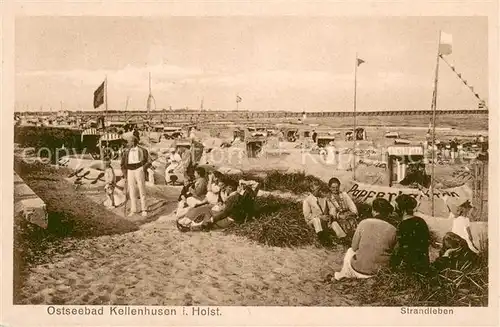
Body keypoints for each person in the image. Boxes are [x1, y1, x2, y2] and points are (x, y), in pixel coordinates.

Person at [332, 198, 397, 280]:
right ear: (387, 213)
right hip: (379, 273)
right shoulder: (393, 229)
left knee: (350, 251)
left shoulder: (364, 223)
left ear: (373, 211)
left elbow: (354, 247)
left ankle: (344, 274)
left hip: (358, 270)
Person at [391, 194, 431, 273]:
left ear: (401, 209)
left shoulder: (402, 225)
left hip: (408, 267)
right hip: (423, 264)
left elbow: (398, 249)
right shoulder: (421, 221)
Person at [120, 135, 150, 217]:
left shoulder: (142, 150)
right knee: (132, 190)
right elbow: (122, 163)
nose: (128, 143)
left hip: (139, 169)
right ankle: (134, 209)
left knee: (141, 188)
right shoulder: (126, 151)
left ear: (134, 142)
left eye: (129, 141)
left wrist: (143, 168)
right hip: (130, 170)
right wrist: (125, 174)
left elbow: (148, 161)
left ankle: (144, 209)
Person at [302, 180, 335, 245]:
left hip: (324, 219)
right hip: (312, 221)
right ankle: (321, 238)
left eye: (319, 189)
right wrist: (321, 217)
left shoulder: (323, 198)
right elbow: (307, 215)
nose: (319, 191)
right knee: (316, 220)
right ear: (312, 189)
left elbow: (332, 207)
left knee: (334, 222)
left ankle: (340, 239)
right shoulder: (307, 200)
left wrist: (331, 215)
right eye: (317, 189)